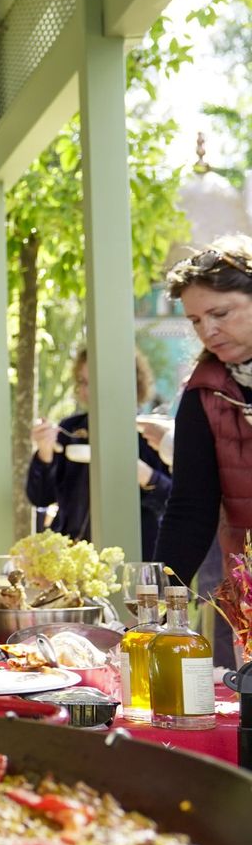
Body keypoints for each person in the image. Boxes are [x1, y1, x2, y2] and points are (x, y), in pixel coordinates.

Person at [158, 237, 252, 612]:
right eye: (196, 320)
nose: (207, 331)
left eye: (221, 314)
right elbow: (189, 509)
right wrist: (158, 605)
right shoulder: (203, 394)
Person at [27, 347, 171, 558]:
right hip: (75, 558)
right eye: (83, 382)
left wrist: (142, 474)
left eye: (94, 381)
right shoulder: (71, 429)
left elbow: (174, 501)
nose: (87, 391)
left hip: (138, 558)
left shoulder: (152, 433)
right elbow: (40, 497)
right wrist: (45, 452)